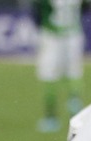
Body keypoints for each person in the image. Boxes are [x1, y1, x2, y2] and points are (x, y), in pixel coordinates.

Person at [32, 0, 87, 133]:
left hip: (53, 36)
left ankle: (51, 118)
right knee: (73, 74)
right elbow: (86, 8)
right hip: (73, 34)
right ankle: (77, 114)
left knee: (49, 76)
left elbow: (38, 12)